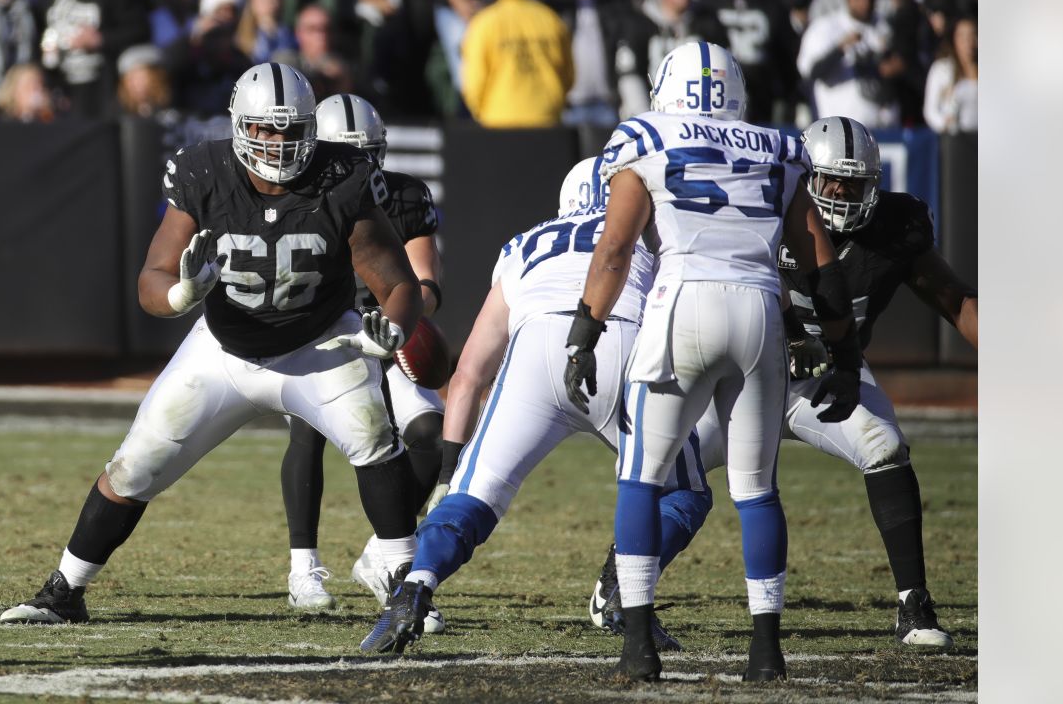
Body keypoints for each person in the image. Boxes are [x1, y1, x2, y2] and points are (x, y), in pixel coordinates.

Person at [0, 62, 425, 625]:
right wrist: (181, 294)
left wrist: (391, 329)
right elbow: (151, 278)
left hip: (318, 345)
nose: (277, 142)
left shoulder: (342, 177)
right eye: (264, 129)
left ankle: (409, 589)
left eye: (290, 127)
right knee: (133, 467)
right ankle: (64, 590)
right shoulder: (204, 171)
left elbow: (399, 284)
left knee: (374, 438)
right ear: (238, 125)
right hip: (224, 349)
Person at [563, 42, 863, 682]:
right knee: (756, 489)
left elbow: (615, 249)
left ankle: (638, 645)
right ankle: (766, 651)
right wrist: (844, 354)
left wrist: (584, 333)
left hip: (683, 307)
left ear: (666, 87)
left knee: (643, 477)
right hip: (758, 311)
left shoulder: (643, 135)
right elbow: (822, 268)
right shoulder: (779, 147)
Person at [359, 157, 720, 655]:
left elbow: (469, 373)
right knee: (685, 494)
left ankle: (414, 589)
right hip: (615, 344)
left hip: (533, 355)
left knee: (474, 497)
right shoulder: (652, 231)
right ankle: (622, 586)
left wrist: (450, 470)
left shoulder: (526, 243)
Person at [780, 115, 975, 645]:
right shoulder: (769, 212)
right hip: (753, 375)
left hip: (830, 377)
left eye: (855, 182)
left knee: (884, 446)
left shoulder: (893, 230)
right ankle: (623, 580)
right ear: (805, 179)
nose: (842, 192)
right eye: (831, 180)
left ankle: (914, 605)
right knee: (675, 463)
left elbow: (954, 298)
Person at [279, 94, 446, 632]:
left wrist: (400, 320)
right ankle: (302, 567)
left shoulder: (402, 195)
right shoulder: (299, 192)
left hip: (385, 331)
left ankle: (384, 552)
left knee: (429, 434)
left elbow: (426, 285)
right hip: (320, 331)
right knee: (309, 435)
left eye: (369, 154)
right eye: (349, 155)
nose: (362, 167)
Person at [459, 0, 574, 128]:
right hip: (547, 121)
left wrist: (482, 113)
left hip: (498, 123)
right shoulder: (550, 19)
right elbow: (569, 75)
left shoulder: (484, 23)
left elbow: (474, 84)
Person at [796, 0, 902, 128]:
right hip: (839, 130)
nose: (865, 2)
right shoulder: (826, 27)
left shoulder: (883, 26)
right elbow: (812, 72)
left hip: (882, 126)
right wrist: (841, 48)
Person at [922, 16, 976, 133]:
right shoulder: (941, 69)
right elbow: (930, 110)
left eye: (973, 35)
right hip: (954, 139)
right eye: (962, 36)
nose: (968, 42)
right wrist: (944, 123)